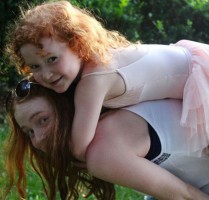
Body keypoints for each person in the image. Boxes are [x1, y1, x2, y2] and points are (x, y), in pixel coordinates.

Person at [6, 0, 209, 161]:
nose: (46, 74)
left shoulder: (94, 80)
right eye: (34, 67)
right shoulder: (97, 62)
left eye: (52, 59)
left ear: (77, 45)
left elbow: (79, 147)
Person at [4, 79, 209, 200]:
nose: (37, 139)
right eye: (28, 132)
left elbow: (186, 196)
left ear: (65, 108)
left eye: (43, 120)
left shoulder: (103, 149)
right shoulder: (109, 113)